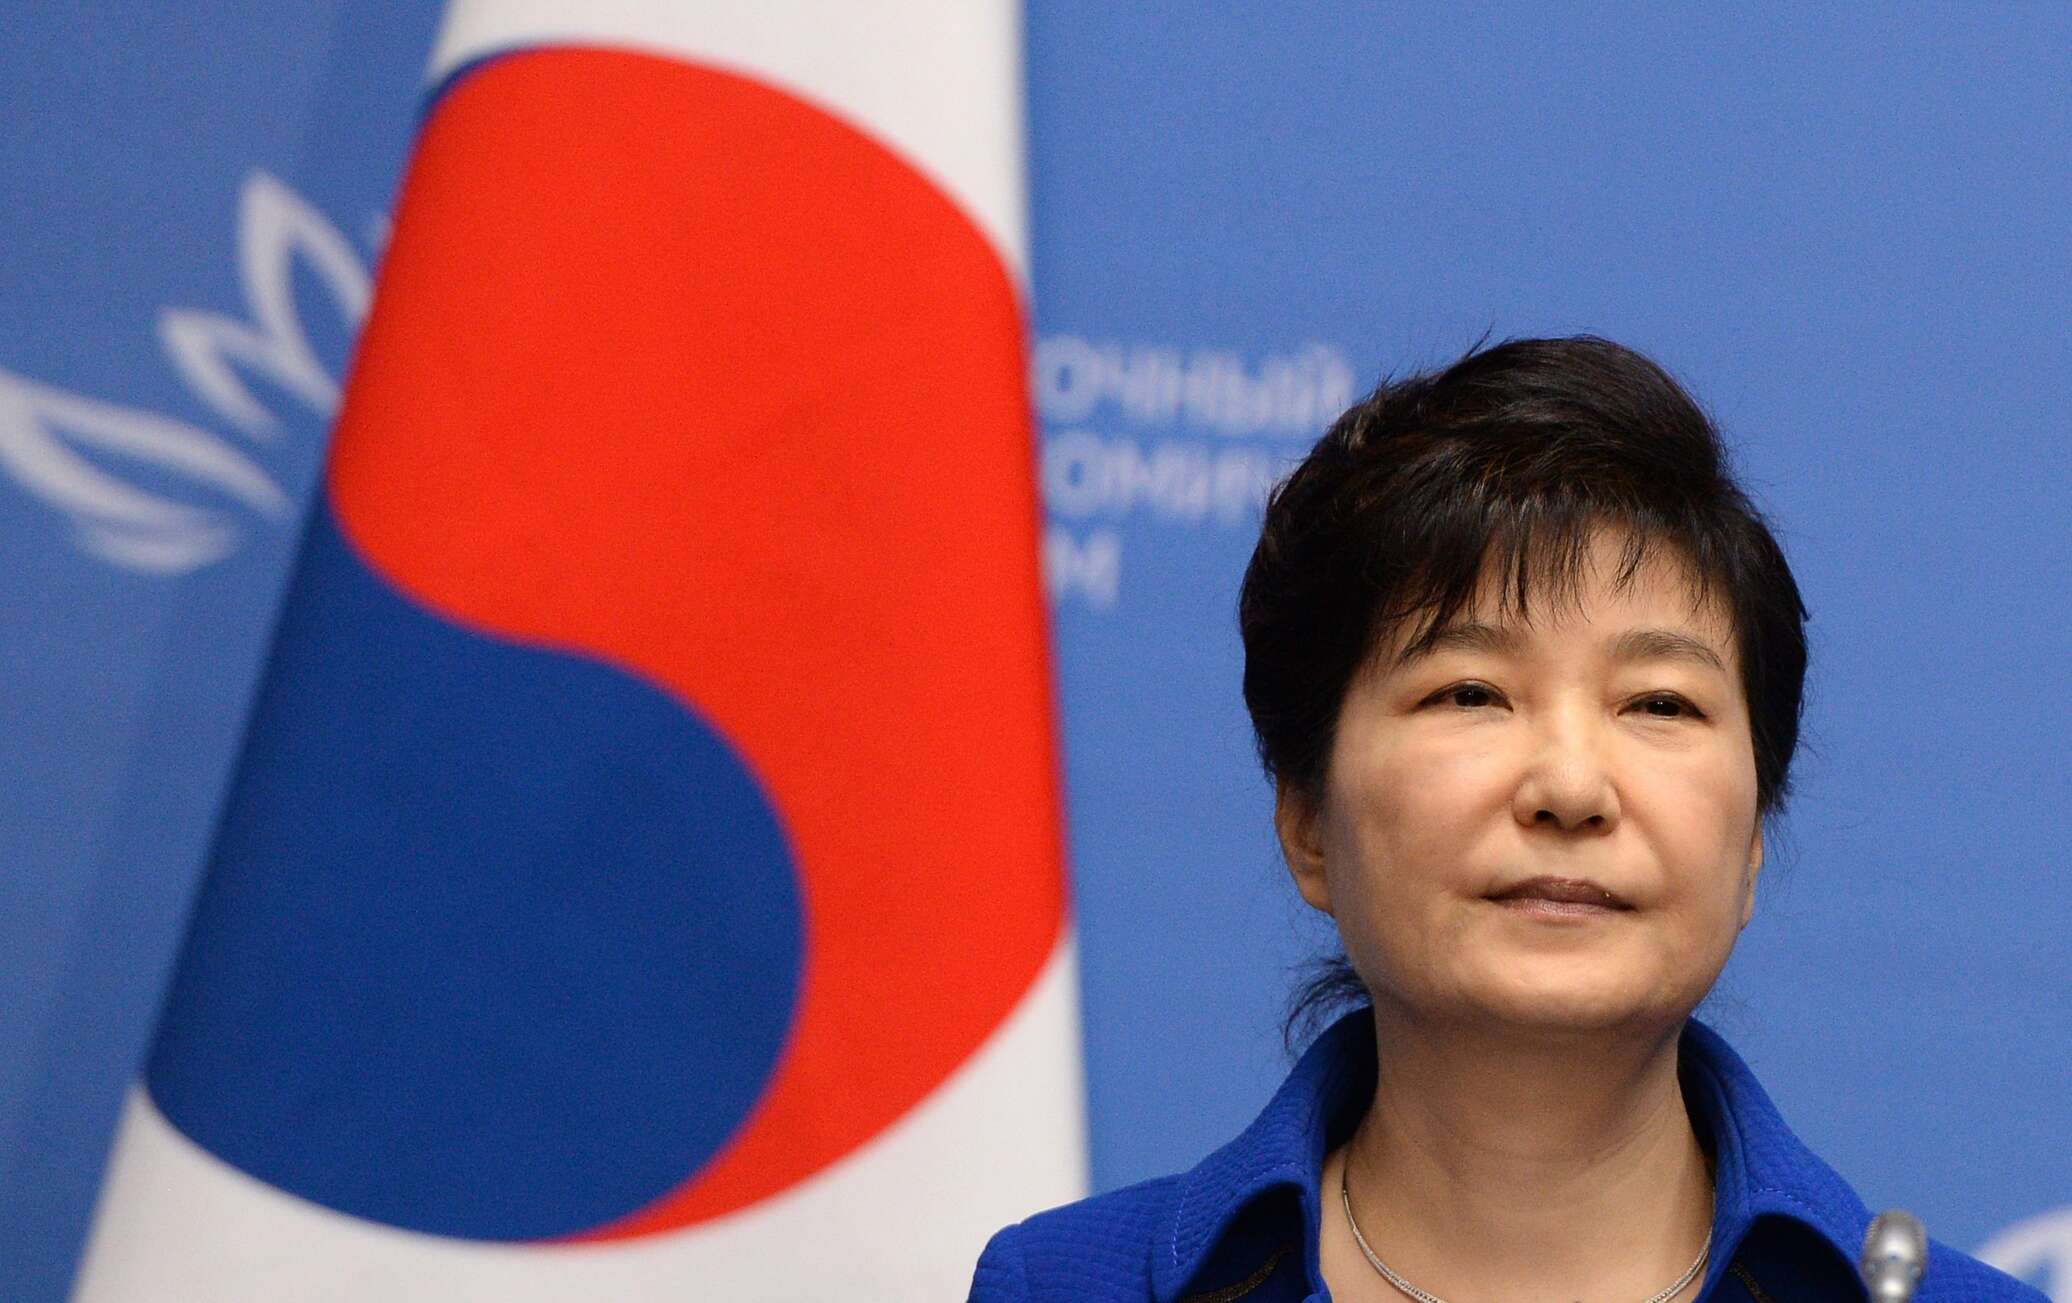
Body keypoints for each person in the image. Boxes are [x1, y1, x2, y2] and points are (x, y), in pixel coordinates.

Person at [968, 337, 2042, 1302]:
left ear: (1753, 837)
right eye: (1471, 693)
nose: (1570, 787)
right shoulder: (1065, 1285)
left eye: (1658, 704)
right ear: (1306, 821)